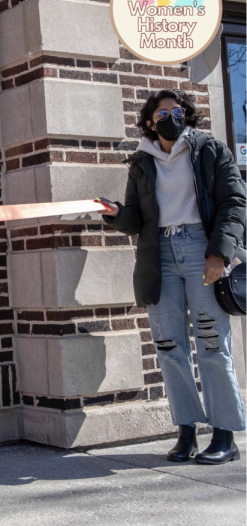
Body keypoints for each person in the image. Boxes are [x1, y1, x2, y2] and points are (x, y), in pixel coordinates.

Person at [98, 89, 246, 465]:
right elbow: (136, 219)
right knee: (169, 347)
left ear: (187, 115)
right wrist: (115, 213)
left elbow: (233, 201)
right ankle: (186, 432)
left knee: (212, 342)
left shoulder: (209, 150)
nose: (171, 117)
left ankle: (225, 436)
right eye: (162, 113)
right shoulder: (141, 162)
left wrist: (219, 253)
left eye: (177, 111)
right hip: (158, 255)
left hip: (201, 249)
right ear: (150, 122)